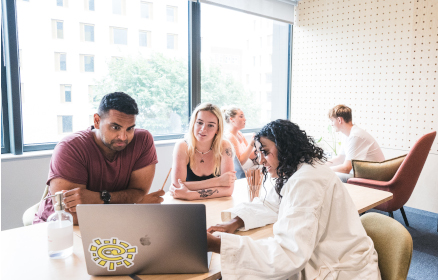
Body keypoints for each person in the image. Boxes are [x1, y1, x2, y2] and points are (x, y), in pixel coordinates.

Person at [206, 119, 381, 280]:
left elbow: (288, 253)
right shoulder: (301, 169)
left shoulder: (307, 180)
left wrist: (218, 245)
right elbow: (273, 204)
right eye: (259, 153)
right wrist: (236, 221)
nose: (260, 160)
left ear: (285, 147)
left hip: (342, 270)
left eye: (265, 152)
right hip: (332, 258)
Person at [34, 92, 164, 225]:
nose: (123, 137)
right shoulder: (70, 147)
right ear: (97, 121)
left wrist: (101, 198)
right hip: (56, 227)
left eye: (130, 129)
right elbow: (71, 216)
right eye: (115, 127)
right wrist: (134, 207)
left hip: (109, 224)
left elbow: (138, 193)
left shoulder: (142, 140)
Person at [169, 103, 236, 200]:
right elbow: (177, 187)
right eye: (199, 123)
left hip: (218, 205)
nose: (203, 129)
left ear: (217, 129)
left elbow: (228, 190)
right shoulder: (182, 146)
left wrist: (190, 194)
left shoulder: (225, 146)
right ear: (193, 123)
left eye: (210, 125)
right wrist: (219, 182)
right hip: (188, 207)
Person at [326, 104, 385, 182]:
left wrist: (324, 170)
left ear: (339, 120)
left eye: (332, 120)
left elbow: (346, 168)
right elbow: (340, 159)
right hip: (365, 174)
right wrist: (321, 166)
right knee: (327, 174)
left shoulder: (355, 136)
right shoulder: (347, 135)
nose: (331, 124)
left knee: (328, 176)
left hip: (373, 178)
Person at [222, 106, 257, 171]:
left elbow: (250, 155)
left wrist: (258, 147)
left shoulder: (239, 134)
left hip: (250, 167)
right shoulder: (230, 137)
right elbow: (239, 163)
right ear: (231, 119)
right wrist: (251, 144)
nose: (245, 119)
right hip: (243, 173)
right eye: (241, 116)